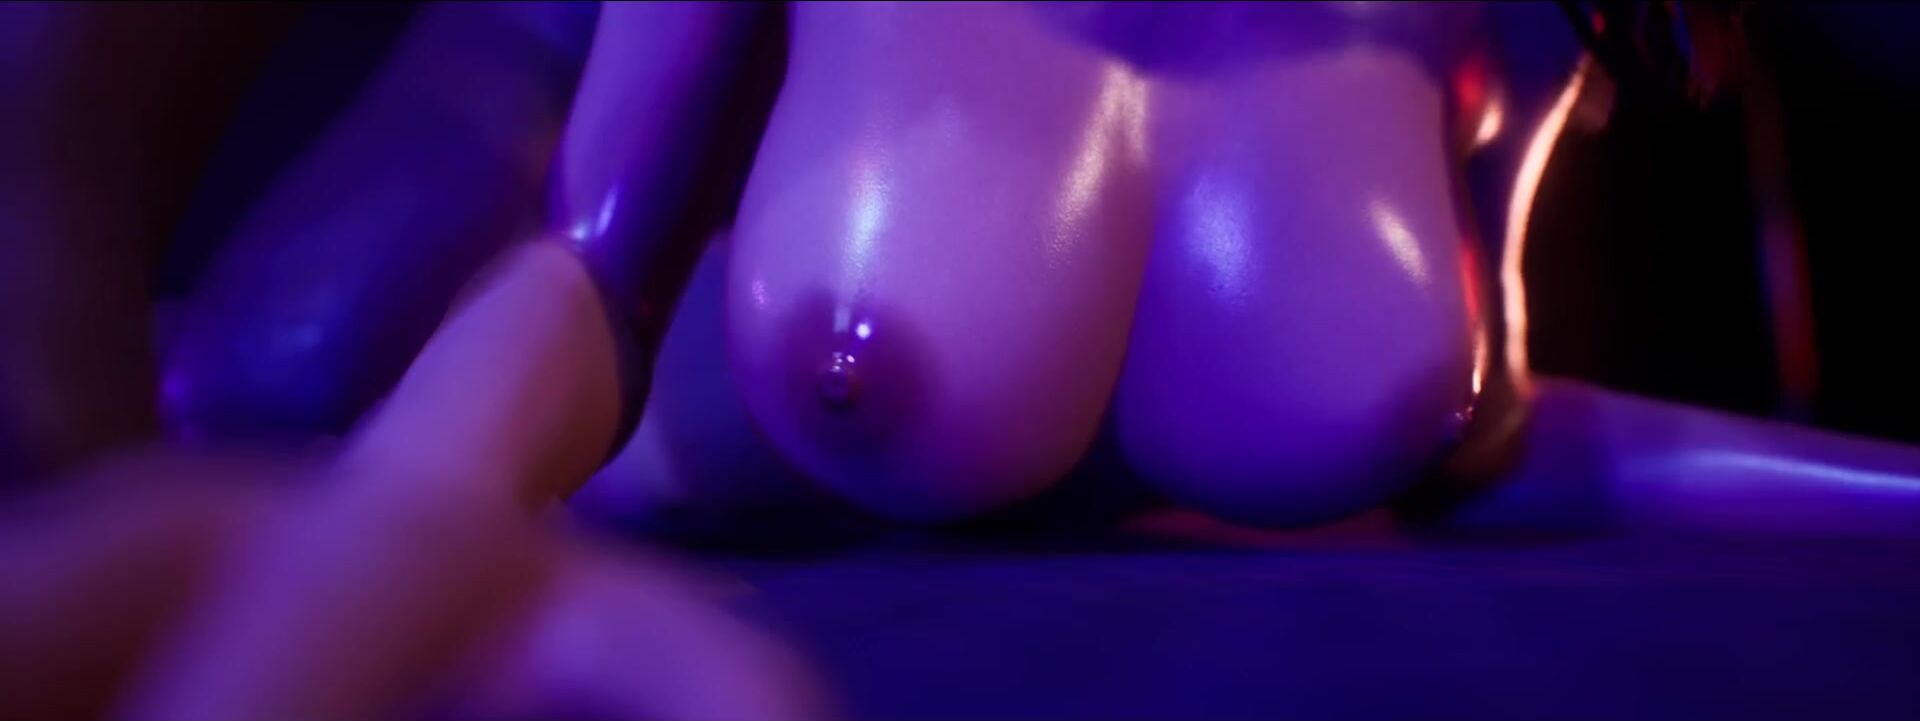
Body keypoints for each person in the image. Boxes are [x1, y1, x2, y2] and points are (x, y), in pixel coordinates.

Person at [2, 2, 1917, 718]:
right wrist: (389, 538)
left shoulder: (1513, 22)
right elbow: (596, 277)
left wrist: (1889, 494)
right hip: (619, 383)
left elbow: (1480, 435)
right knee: (275, 362)